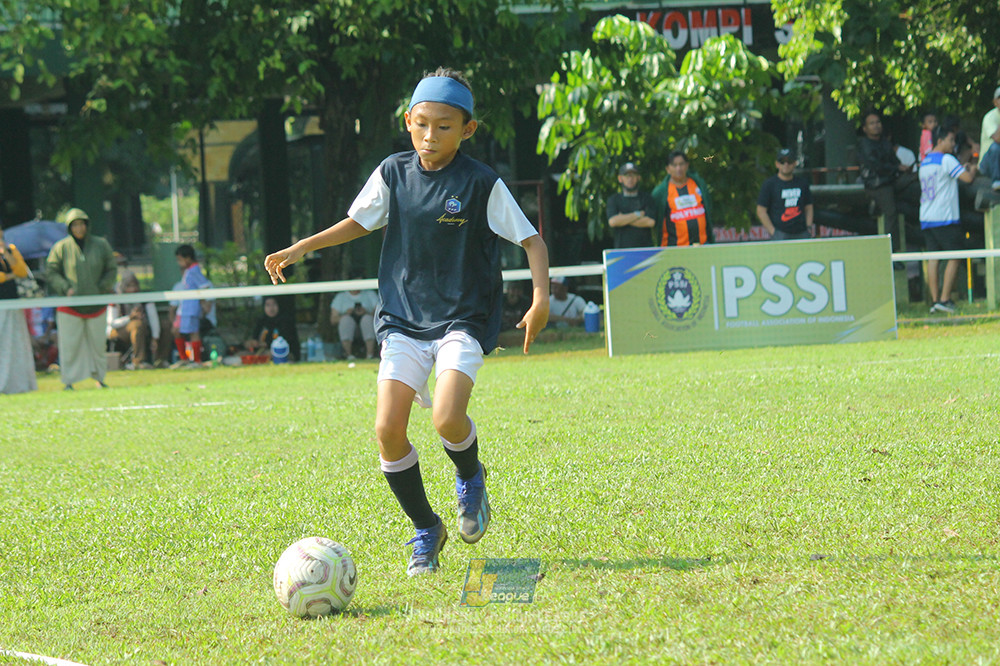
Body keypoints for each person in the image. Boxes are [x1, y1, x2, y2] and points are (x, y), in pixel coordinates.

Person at [264, 67, 549, 577]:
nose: (430, 136)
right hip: (401, 320)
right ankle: (426, 527)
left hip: (461, 319)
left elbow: (532, 240)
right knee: (388, 431)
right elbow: (359, 221)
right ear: (408, 122)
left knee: (445, 418)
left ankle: (470, 474)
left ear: (468, 129)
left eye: (444, 126)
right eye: (422, 124)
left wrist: (541, 297)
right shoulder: (394, 173)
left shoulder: (482, 183)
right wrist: (302, 246)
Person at [45, 208, 117, 390]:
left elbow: (111, 269)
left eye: (81, 223)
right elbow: (51, 271)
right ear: (70, 227)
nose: (79, 228)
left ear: (87, 225)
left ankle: (100, 378)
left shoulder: (101, 245)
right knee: (69, 346)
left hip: (96, 305)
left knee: (98, 345)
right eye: (75, 224)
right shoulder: (61, 247)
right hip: (70, 306)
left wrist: (102, 288)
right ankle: (69, 381)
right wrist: (65, 288)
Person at [919, 125, 978, 313]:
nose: (953, 144)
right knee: (955, 255)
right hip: (944, 217)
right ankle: (945, 300)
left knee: (933, 258)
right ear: (940, 140)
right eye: (950, 140)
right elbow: (967, 178)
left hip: (927, 216)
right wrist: (973, 169)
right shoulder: (947, 160)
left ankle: (934, 301)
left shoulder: (925, 161)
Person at [858, 109, 920, 250]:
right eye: (872, 123)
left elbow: (894, 161)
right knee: (891, 212)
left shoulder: (885, 142)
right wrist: (897, 168)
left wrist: (903, 167)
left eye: (878, 122)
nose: (876, 125)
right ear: (865, 128)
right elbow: (876, 166)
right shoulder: (864, 144)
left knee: (916, 177)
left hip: (892, 180)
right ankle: (892, 252)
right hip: (877, 184)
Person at [0, 227, 38, 394]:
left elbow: (22, 271)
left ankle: (17, 384)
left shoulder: (11, 249)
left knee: (16, 344)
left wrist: (7, 253)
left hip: (13, 305)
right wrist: (10, 276)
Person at [651, 150, 714, 246]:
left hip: (702, 245)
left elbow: (709, 207)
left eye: (681, 164)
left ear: (687, 165)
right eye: (674, 165)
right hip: (674, 249)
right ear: (668, 169)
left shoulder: (698, 184)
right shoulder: (660, 192)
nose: (678, 168)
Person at [756, 148, 815, 241]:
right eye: (782, 162)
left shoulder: (802, 183)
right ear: (777, 164)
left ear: (795, 163)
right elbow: (761, 211)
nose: (786, 164)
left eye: (789, 161)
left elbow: (809, 207)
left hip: (802, 233)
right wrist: (773, 232)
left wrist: (809, 227)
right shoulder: (769, 184)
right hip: (780, 233)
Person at [106, 273, 159, 369]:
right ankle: (138, 361)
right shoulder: (115, 300)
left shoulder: (143, 299)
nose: (133, 289)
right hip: (117, 331)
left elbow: (153, 319)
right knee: (136, 325)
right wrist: (130, 318)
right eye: (129, 286)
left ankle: (160, 361)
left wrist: (155, 338)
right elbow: (112, 323)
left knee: (165, 325)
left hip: (142, 329)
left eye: (135, 286)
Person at [172, 244, 212, 365]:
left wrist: (205, 303)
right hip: (184, 308)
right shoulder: (189, 271)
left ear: (188, 258)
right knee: (176, 330)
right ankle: (184, 359)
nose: (179, 263)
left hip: (191, 308)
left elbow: (204, 285)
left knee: (194, 332)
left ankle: (196, 360)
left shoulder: (194, 271)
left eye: (180, 259)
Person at [606, 162, 656, 248]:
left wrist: (623, 219)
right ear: (620, 178)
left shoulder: (647, 198)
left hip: (645, 251)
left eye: (633, 175)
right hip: (621, 251)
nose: (630, 179)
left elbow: (650, 222)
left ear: (638, 178)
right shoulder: (614, 200)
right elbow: (613, 221)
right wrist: (638, 214)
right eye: (627, 175)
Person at [247, 296, 301, 362]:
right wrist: (253, 343)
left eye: (274, 304)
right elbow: (254, 339)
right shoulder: (261, 322)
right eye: (268, 305)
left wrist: (265, 344)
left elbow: (286, 341)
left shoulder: (286, 322)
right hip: (262, 354)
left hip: (284, 355)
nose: (271, 308)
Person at [330, 287, 378, 360]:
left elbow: (379, 315)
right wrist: (347, 314)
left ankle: (370, 355)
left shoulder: (370, 294)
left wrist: (366, 312)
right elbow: (333, 320)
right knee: (346, 320)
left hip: (367, 327)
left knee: (367, 319)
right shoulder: (341, 297)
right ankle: (348, 355)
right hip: (349, 329)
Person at [978, 86, 1000, 190]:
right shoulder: (990, 117)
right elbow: (998, 139)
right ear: (995, 102)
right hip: (987, 163)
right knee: (996, 146)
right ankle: (996, 181)